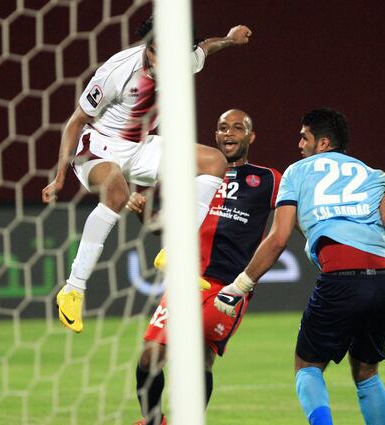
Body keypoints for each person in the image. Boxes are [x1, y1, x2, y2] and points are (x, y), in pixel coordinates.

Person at [214, 107, 385, 425]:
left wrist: (239, 285)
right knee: (366, 372)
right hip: (383, 283)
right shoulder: (378, 175)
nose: (299, 144)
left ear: (323, 143)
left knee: (307, 366)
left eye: (305, 137)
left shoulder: (297, 173)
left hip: (340, 280)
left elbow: (278, 236)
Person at [42, 18, 252, 333]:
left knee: (214, 162)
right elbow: (76, 120)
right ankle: (72, 289)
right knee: (117, 193)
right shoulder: (117, 70)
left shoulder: (183, 60)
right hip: (98, 147)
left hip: (140, 147)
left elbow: (205, 48)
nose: (156, 59)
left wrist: (229, 39)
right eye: (153, 51)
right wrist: (59, 176)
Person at [127, 109, 281, 425]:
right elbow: (162, 227)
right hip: (185, 281)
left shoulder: (269, 179)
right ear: (215, 136)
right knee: (149, 356)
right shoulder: (196, 177)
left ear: (250, 137)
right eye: (223, 127)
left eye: (238, 128)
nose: (229, 133)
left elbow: (291, 219)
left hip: (228, 287)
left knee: (200, 357)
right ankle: (153, 420)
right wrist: (143, 213)